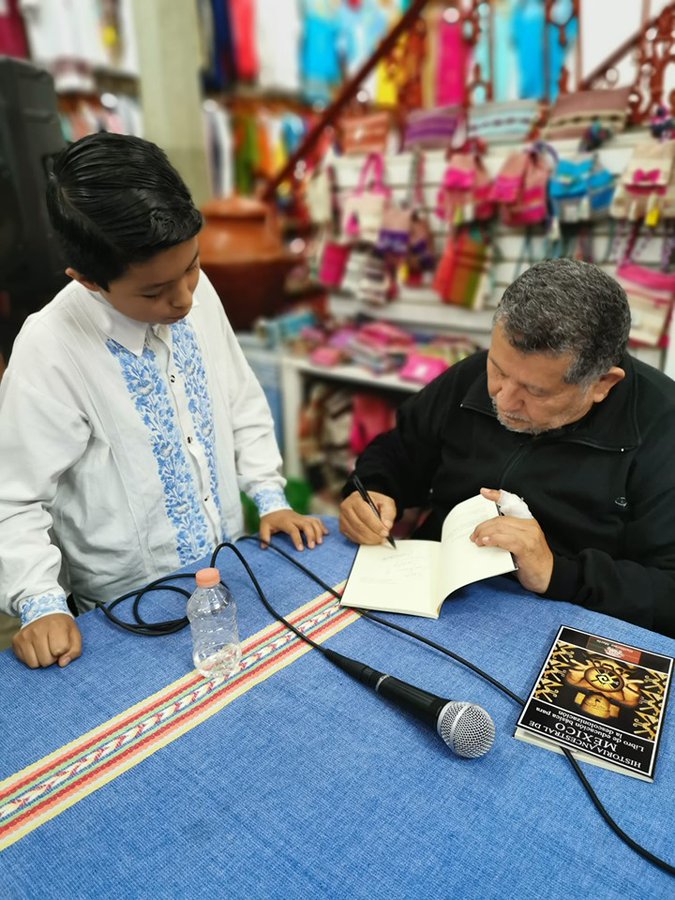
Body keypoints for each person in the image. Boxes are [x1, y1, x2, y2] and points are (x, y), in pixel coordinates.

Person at [0, 132, 328, 670]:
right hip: (123, 614)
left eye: (193, 267)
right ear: (87, 280)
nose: (183, 298)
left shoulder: (195, 295)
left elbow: (240, 398)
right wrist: (39, 604)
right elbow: (14, 498)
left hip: (226, 575)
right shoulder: (51, 347)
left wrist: (270, 496)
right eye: (153, 293)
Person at [340, 257, 675, 638]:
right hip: (430, 595)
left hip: (567, 617)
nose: (503, 398)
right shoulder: (473, 375)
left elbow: (668, 594)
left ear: (602, 384)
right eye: (498, 369)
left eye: (535, 391)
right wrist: (372, 489)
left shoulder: (663, 429)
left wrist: (556, 571)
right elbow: (401, 451)